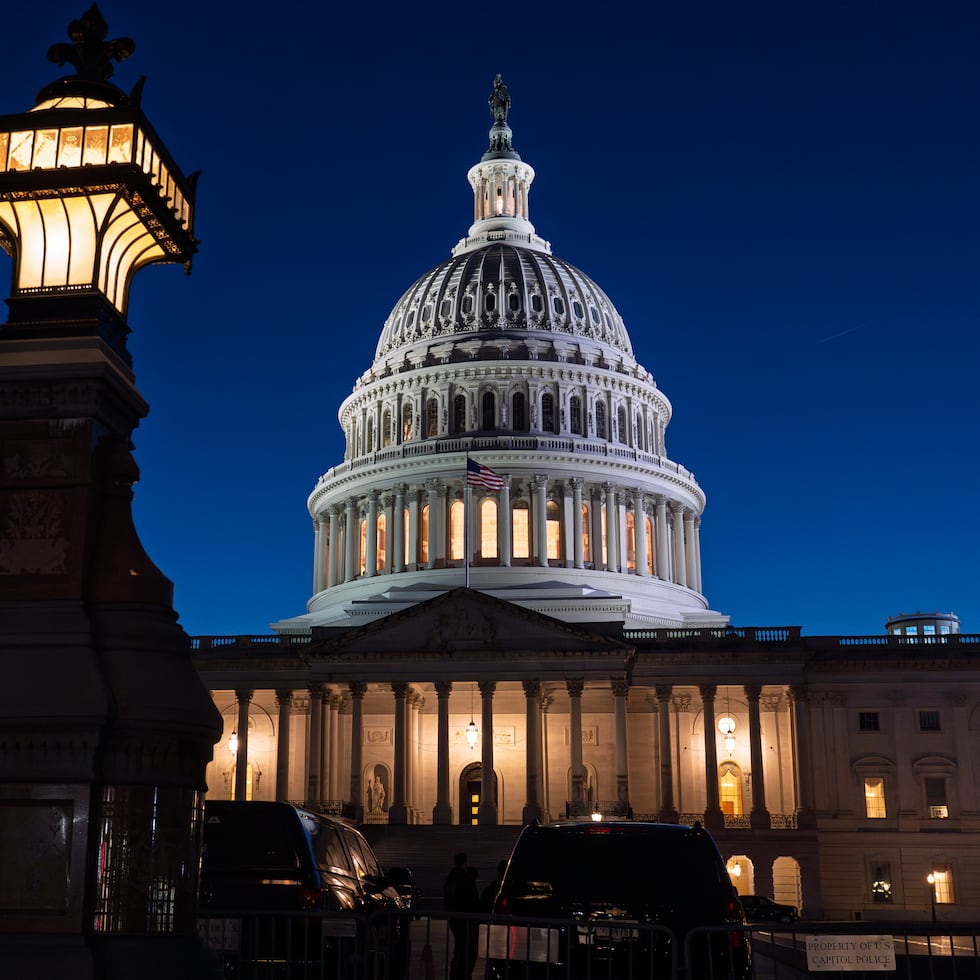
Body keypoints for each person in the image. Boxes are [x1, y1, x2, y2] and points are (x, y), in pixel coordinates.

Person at [444, 851, 480, 980]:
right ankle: (464, 974)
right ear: (465, 862)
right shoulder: (466, 879)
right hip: (466, 919)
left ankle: (456, 974)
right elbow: (473, 900)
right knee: (467, 949)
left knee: (459, 948)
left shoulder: (451, 878)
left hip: (455, 918)